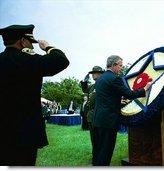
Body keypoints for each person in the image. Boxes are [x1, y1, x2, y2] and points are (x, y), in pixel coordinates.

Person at [0, 24, 69, 166]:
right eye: (30, 42)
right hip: (24, 131)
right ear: (22, 41)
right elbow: (61, 60)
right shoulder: (27, 60)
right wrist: (48, 47)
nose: (32, 46)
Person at [92, 55, 152, 166]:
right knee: (105, 152)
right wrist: (145, 89)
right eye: (120, 65)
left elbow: (105, 98)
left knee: (98, 150)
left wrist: (117, 102)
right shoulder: (115, 79)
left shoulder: (100, 79)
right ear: (113, 65)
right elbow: (129, 94)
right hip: (108, 122)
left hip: (97, 120)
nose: (121, 68)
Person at [80, 65, 104, 162]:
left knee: (100, 139)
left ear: (100, 74)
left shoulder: (103, 84)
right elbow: (85, 89)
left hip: (100, 115)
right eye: (92, 74)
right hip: (91, 116)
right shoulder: (93, 86)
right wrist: (84, 81)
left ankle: (100, 157)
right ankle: (95, 157)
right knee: (94, 139)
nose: (92, 75)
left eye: (94, 73)